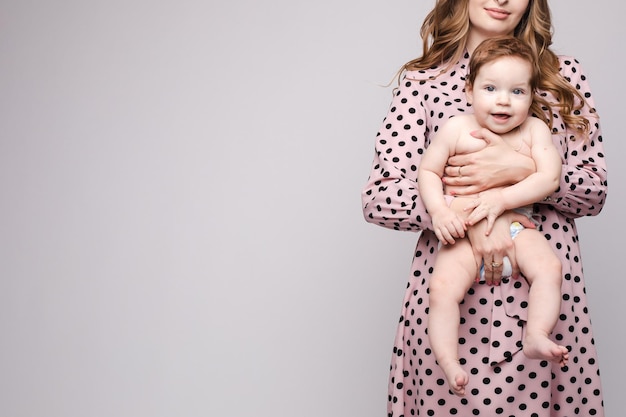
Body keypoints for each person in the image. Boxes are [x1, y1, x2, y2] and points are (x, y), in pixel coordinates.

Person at [361, 0, 607, 415]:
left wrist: (522, 173)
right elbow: (381, 196)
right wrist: (465, 217)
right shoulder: (423, 82)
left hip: (545, 299)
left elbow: (595, 189)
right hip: (454, 295)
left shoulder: (562, 75)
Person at [418, 36, 567, 396]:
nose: (503, 100)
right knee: (440, 291)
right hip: (463, 231)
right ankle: (449, 361)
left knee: (549, 269)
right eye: (490, 88)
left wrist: (501, 199)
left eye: (517, 91)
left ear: (532, 96)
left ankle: (535, 334)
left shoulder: (534, 130)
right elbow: (427, 172)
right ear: (469, 91)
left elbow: (549, 177)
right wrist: (439, 211)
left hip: (517, 226)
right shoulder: (455, 128)